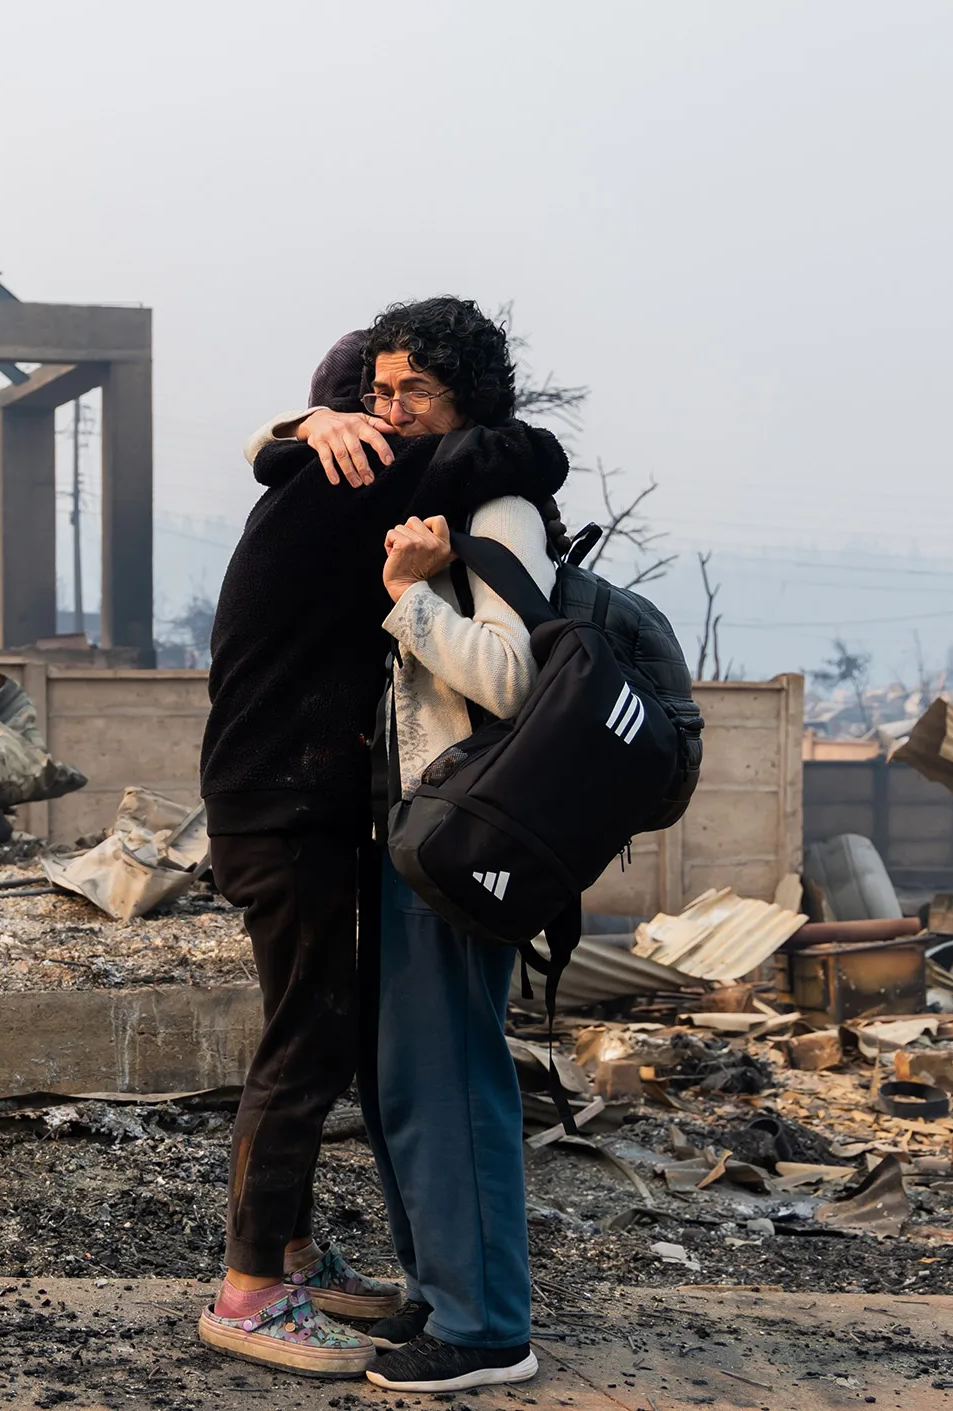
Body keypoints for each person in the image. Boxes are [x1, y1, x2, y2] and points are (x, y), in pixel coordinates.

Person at [196, 299, 568, 1385]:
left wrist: (295, 423)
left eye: (407, 396)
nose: (386, 413)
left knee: (331, 1035)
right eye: (373, 396)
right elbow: (525, 452)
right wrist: (306, 424)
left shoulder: (339, 470)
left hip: (302, 799)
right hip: (287, 802)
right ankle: (251, 1292)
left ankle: (295, 1264)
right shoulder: (365, 475)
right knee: (307, 1044)